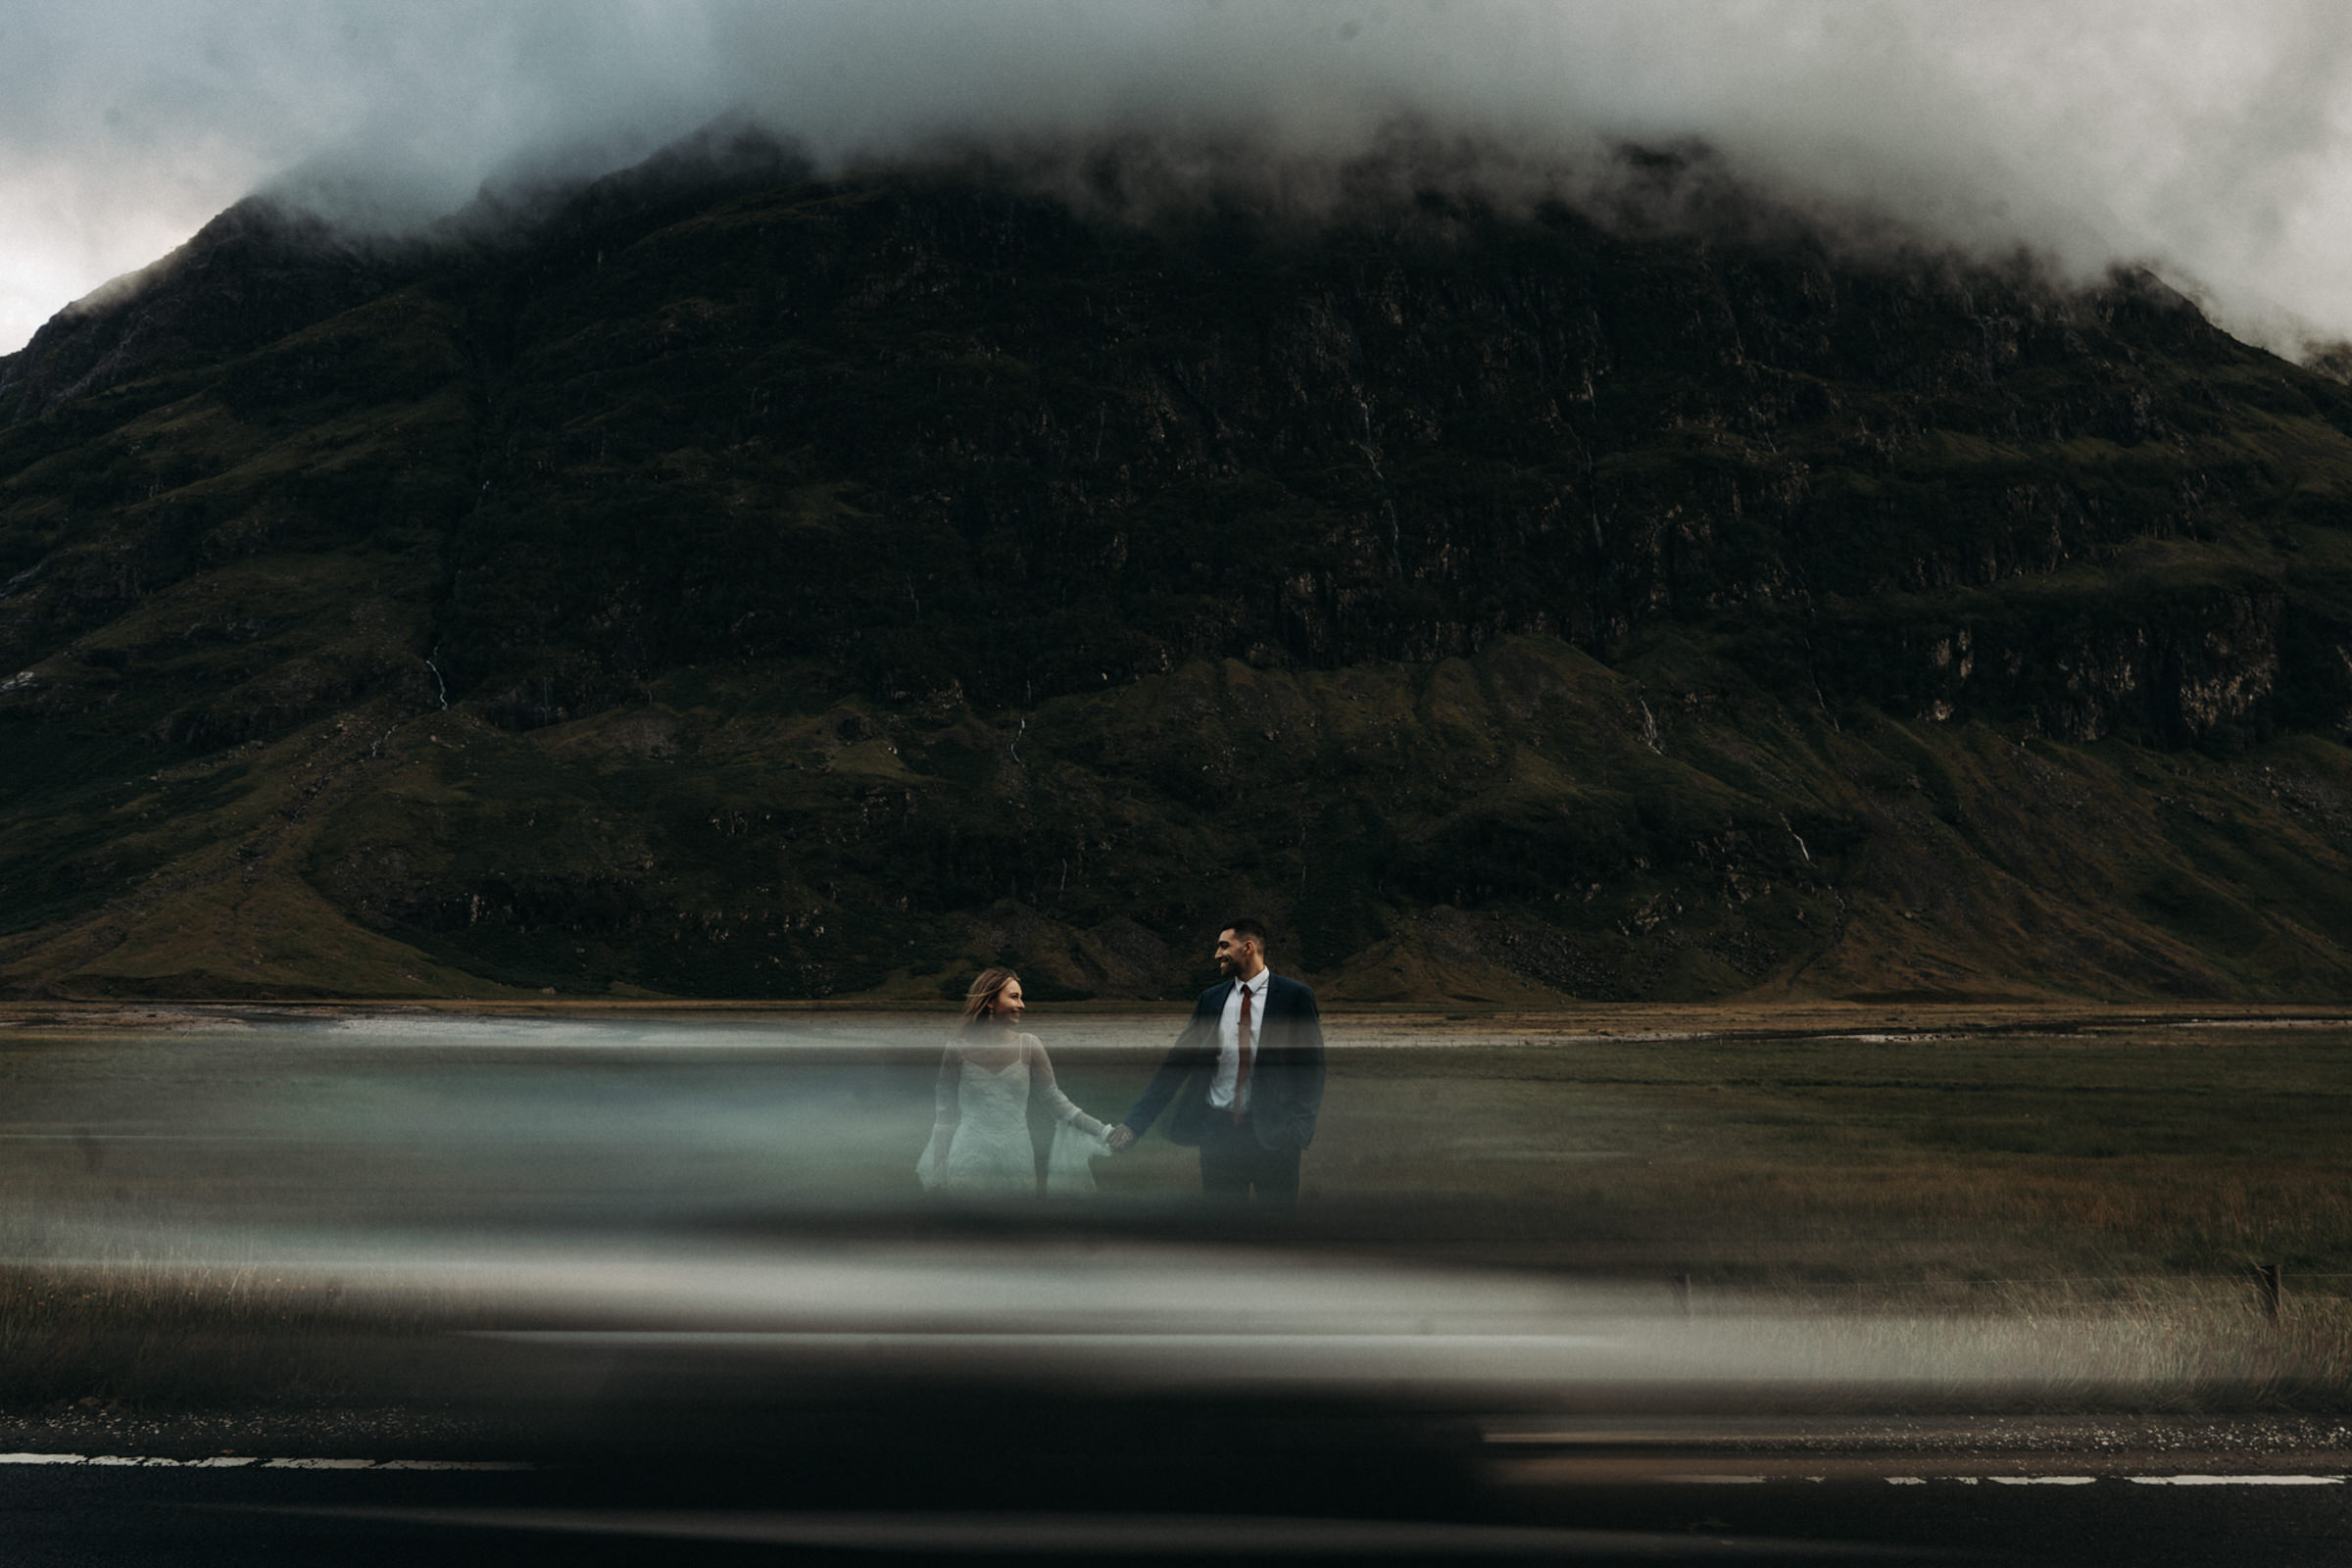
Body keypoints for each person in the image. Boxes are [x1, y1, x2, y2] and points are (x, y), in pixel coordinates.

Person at [1105, 920, 1325, 1207]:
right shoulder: (1210, 1000)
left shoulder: (1295, 997)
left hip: (1275, 1139)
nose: (1216, 954)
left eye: (1224, 946)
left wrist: (1298, 1131)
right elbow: (1176, 1066)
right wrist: (1134, 1124)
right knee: (1223, 1232)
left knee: (1276, 1232)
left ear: (1248, 948)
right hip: (1217, 1136)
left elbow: (1312, 1068)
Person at [918, 967, 1110, 1195]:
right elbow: (945, 1117)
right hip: (969, 1159)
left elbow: (1056, 1101)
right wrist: (938, 1169)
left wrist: (1103, 1131)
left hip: (1017, 1160)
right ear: (990, 1001)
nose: (1022, 1005)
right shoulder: (957, 1049)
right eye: (1014, 997)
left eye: (1021, 997)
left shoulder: (1030, 1046)